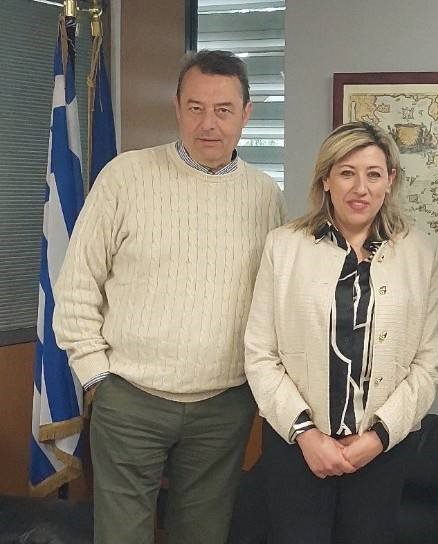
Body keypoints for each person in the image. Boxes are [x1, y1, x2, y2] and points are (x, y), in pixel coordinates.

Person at [53, 49, 285, 543]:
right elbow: (76, 287)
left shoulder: (265, 195)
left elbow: (271, 302)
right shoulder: (125, 177)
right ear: (177, 107)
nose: (208, 124)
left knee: (203, 535)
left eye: (223, 110)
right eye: (195, 107)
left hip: (223, 407)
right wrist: (97, 377)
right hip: (129, 399)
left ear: (246, 114)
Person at [244, 121, 438, 544]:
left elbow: (426, 366)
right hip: (297, 449)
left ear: (390, 180)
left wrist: (378, 437)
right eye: (347, 173)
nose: (360, 188)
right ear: (326, 179)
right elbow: (260, 355)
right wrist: (306, 434)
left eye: (374, 174)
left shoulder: (420, 254)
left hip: (381, 453)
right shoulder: (284, 246)